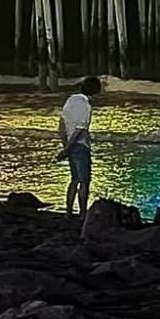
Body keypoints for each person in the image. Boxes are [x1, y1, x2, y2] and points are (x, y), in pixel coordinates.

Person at [58, 76, 102, 218]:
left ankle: (69, 212)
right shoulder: (86, 106)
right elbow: (80, 130)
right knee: (84, 182)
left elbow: (61, 124)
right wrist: (67, 149)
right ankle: (82, 213)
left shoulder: (71, 100)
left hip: (69, 143)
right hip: (80, 145)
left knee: (74, 180)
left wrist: (65, 145)